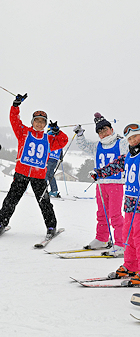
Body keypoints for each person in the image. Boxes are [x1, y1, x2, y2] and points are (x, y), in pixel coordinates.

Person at [90, 122, 140, 286]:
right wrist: (100, 173)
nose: (132, 140)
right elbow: (115, 166)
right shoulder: (129, 155)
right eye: (129, 138)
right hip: (130, 201)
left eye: (136, 137)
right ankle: (132, 266)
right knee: (128, 235)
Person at [0, 93, 68, 238]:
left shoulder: (49, 139)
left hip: (39, 176)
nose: (39, 124)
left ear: (45, 124)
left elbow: (63, 141)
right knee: (11, 200)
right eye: (36, 121)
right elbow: (14, 120)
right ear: (32, 122)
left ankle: (51, 226)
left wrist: (57, 131)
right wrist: (15, 106)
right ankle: (1, 223)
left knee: (44, 202)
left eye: (42, 121)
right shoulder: (23, 132)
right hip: (21, 173)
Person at [73, 113, 128, 255]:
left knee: (115, 215)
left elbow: (133, 146)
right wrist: (80, 135)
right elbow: (84, 146)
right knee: (102, 213)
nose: (103, 133)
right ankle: (102, 238)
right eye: (100, 131)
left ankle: (120, 243)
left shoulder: (121, 143)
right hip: (100, 183)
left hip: (116, 184)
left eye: (105, 129)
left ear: (111, 129)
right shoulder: (97, 146)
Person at [45, 126, 63, 198]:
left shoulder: (50, 136)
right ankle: (54, 191)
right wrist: (61, 157)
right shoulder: (58, 138)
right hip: (55, 159)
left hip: (49, 158)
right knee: (51, 175)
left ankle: (44, 190)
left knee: (45, 174)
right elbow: (61, 148)